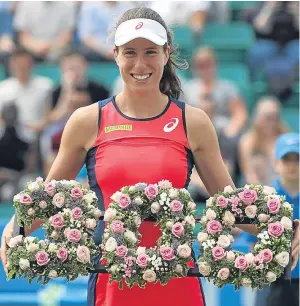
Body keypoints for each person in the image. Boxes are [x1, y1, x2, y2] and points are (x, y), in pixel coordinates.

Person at [0, 7, 299, 306]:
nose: (140, 63)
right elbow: (49, 199)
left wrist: (287, 226)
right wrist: (15, 226)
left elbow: (230, 204)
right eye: (130, 52)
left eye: (150, 52)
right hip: (111, 288)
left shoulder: (192, 122)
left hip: (179, 288)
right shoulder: (87, 121)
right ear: (115, 54)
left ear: (166, 53)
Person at [246, 132, 299, 306]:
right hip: (271, 281)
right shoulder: (263, 199)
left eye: (297, 159)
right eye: (287, 159)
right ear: (276, 163)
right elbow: (252, 242)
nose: (292, 165)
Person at [183, 47, 248, 138]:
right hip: (194, 133)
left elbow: (239, 114)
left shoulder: (228, 88)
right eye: (200, 66)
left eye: (208, 64)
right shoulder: (187, 89)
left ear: (215, 65)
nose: (205, 69)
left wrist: (231, 132)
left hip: (223, 133)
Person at [239, 96, 290, 186]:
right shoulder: (247, 142)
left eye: (276, 117)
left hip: (284, 189)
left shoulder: (287, 139)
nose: (272, 122)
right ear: (257, 118)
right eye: (268, 118)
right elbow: (249, 175)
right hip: (259, 192)